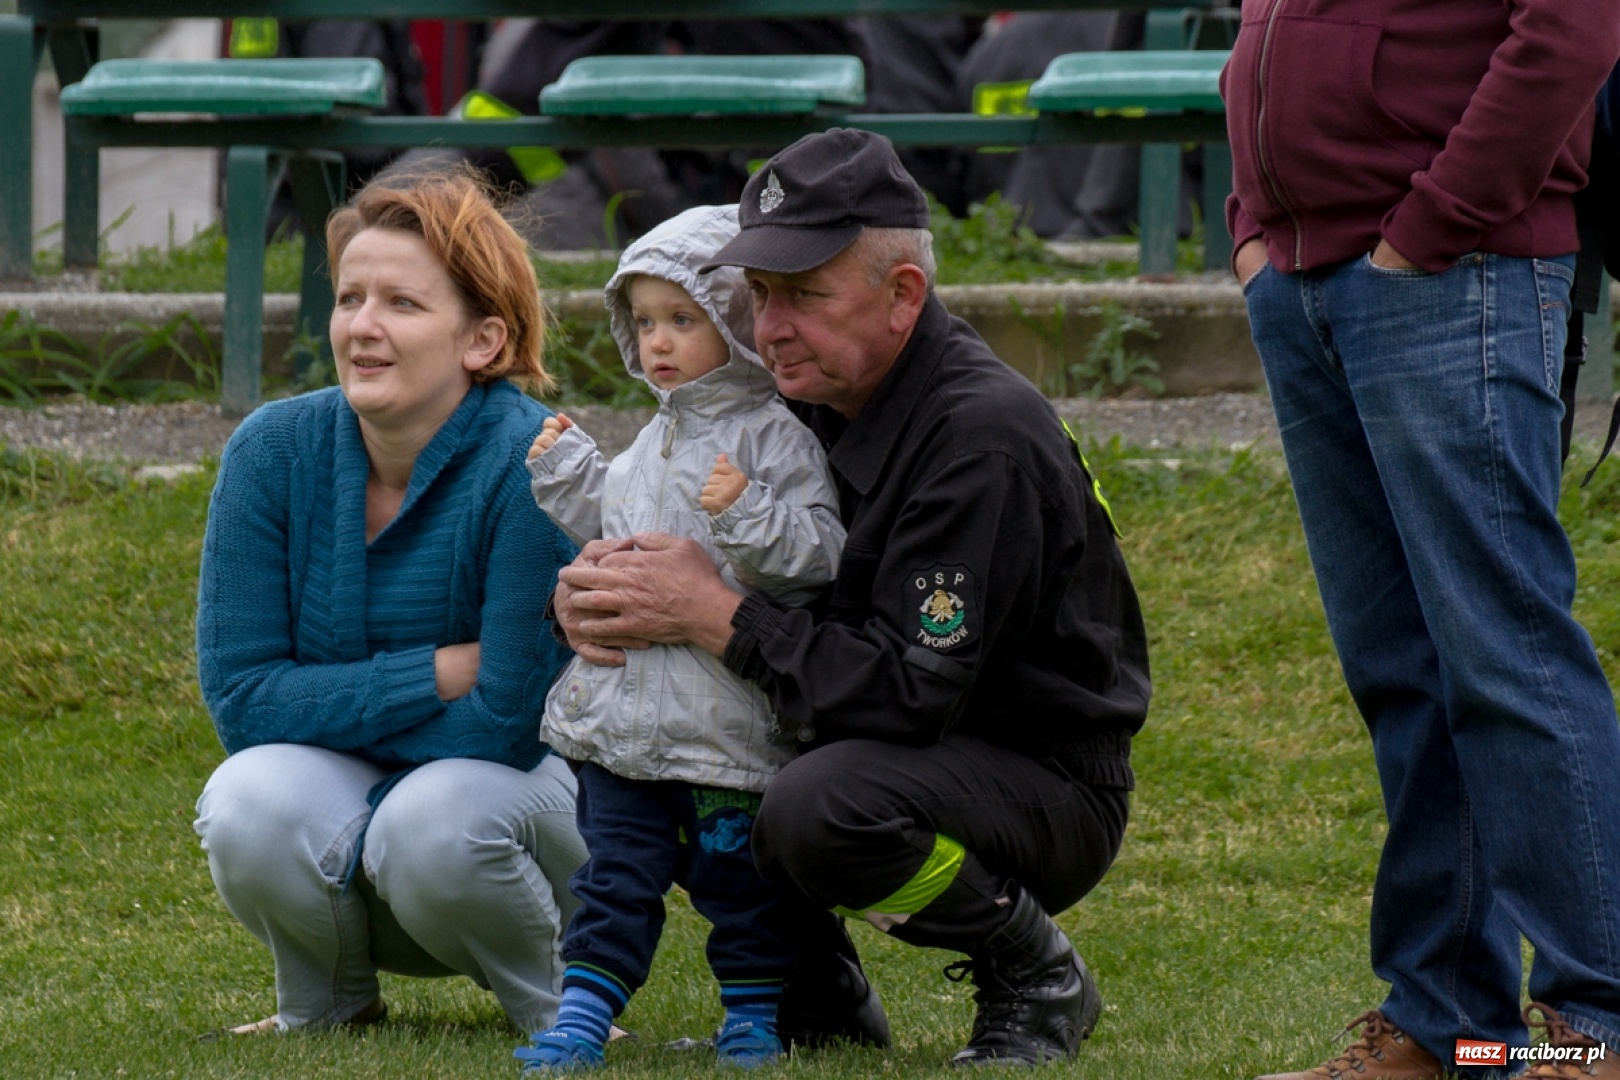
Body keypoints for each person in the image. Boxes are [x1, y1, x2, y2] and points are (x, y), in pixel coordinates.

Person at [548, 128, 1152, 1067]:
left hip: (1035, 777)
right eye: (760, 295)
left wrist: (711, 613)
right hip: (891, 734)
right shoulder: (803, 390)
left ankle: (1033, 975)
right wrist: (599, 596)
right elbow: (681, 544)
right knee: (694, 749)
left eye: (805, 295)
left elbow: (906, 693)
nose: (770, 326)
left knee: (818, 810)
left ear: (902, 295)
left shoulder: (977, 440)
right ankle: (814, 995)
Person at [1224, 2, 1620, 1077]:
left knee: (1507, 659)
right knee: (1406, 673)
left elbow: (1571, 32)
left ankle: (1599, 1031)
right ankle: (1450, 1033)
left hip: (1452, 274)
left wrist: (1432, 227)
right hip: (1310, 279)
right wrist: (1251, 224)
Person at [192, 169, 588, 1035]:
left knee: (431, 816)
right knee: (248, 796)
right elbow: (245, 701)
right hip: (375, 832)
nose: (362, 328)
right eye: (350, 298)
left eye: (402, 305)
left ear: (483, 339)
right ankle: (327, 1004)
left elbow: (508, 724)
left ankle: (565, 1009)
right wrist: (441, 670)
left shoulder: (539, 465)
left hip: (521, 811)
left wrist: (351, 750)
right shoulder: (270, 452)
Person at [514, 204, 846, 1071]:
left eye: (683, 319)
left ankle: (753, 1018)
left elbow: (815, 555)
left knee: (740, 888)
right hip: (623, 727)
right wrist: (571, 473)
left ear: (734, 320)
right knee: (612, 876)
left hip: (723, 728)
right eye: (646, 322)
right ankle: (581, 1019)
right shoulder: (651, 441)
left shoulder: (777, 439)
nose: (659, 342)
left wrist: (746, 513)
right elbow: (615, 525)